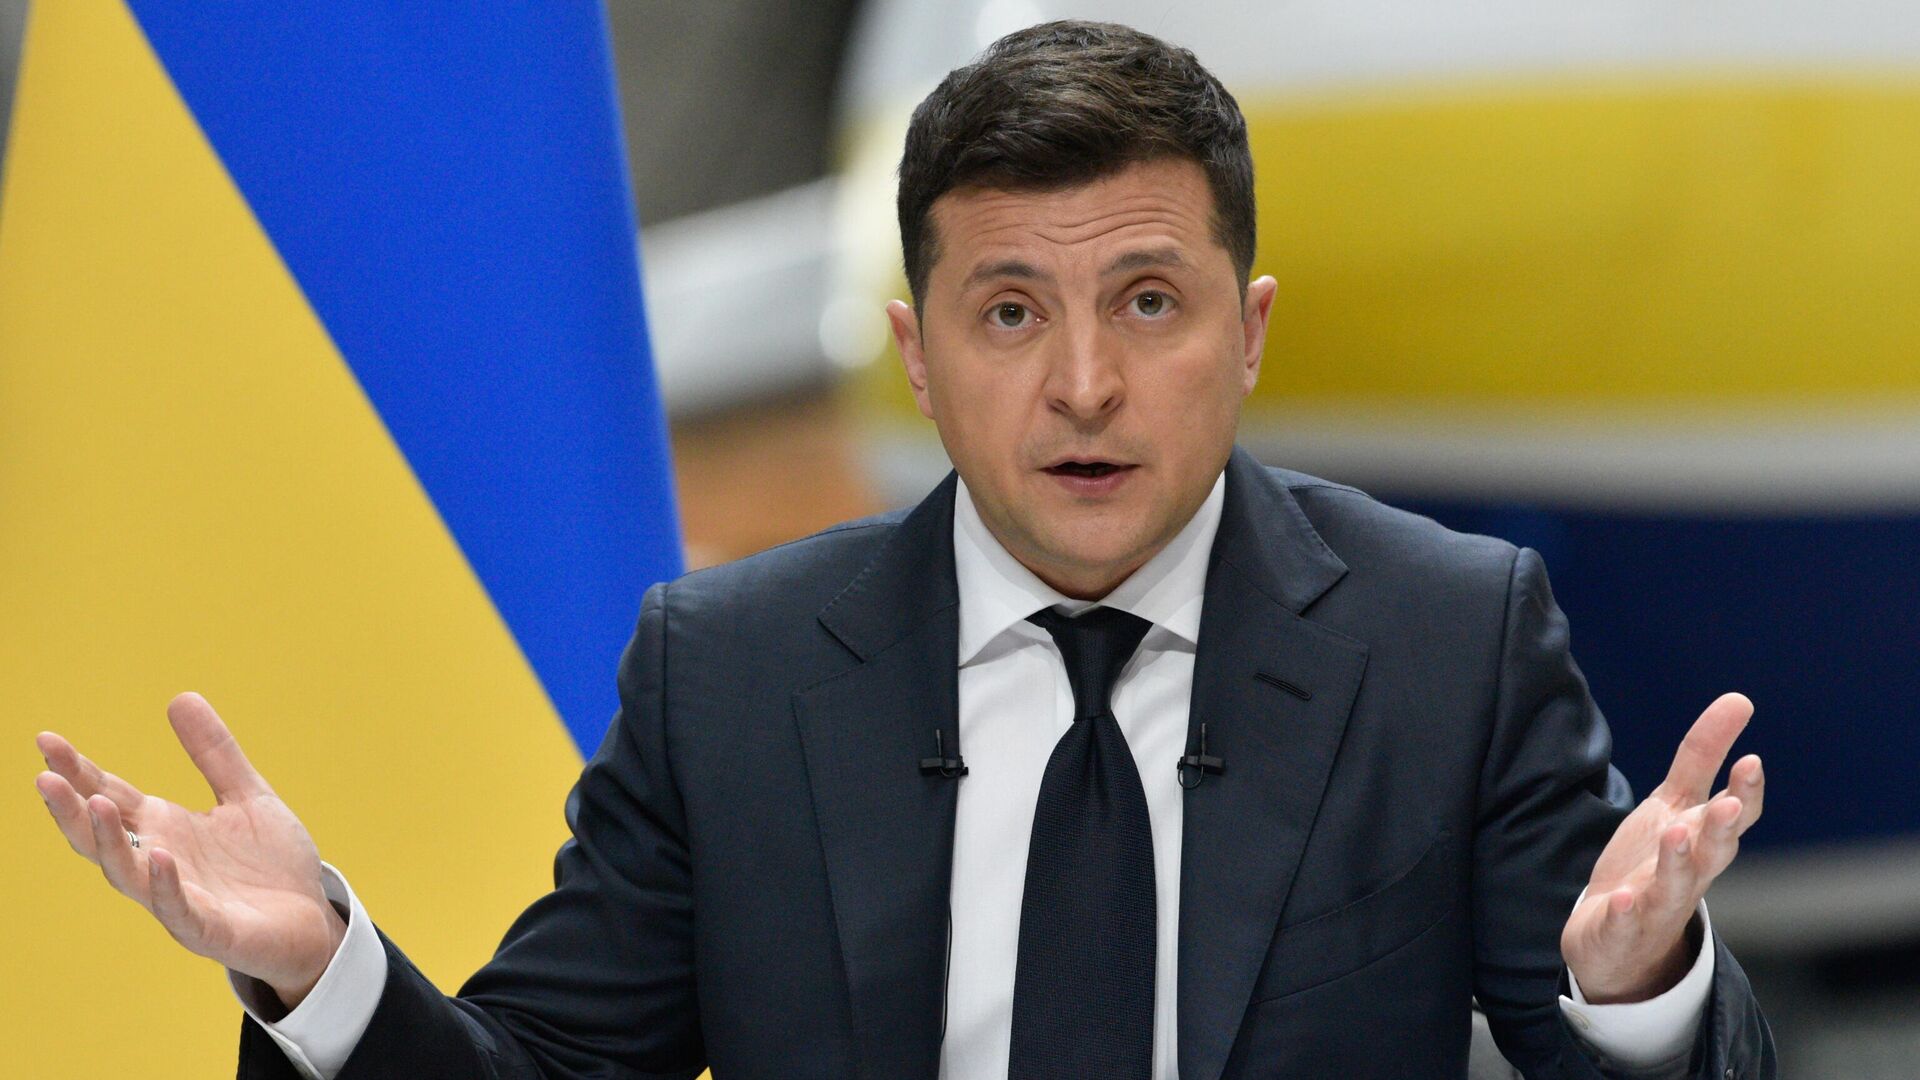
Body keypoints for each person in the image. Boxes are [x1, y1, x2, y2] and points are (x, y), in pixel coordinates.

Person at [31, 20, 1773, 1080]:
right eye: (1010, 312)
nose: (1082, 384)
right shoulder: (731, 675)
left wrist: (1640, 997)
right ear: (916, 356)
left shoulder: (1446, 637)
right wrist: (322, 968)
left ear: (1246, 334)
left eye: (1146, 303)